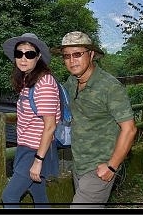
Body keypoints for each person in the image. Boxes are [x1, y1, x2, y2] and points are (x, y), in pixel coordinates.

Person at [53, 31, 137, 208]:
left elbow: (129, 129)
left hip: (100, 166)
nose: (72, 60)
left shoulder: (109, 86)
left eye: (77, 54)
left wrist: (112, 166)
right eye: (66, 56)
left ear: (91, 55)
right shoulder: (71, 82)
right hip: (79, 165)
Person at [1, 32, 61, 208]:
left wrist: (37, 160)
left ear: (38, 56)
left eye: (30, 54)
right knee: (40, 198)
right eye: (19, 53)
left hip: (36, 150)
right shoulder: (27, 80)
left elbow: (50, 126)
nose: (23, 58)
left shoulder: (45, 83)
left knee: (9, 197)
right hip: (27, 147)